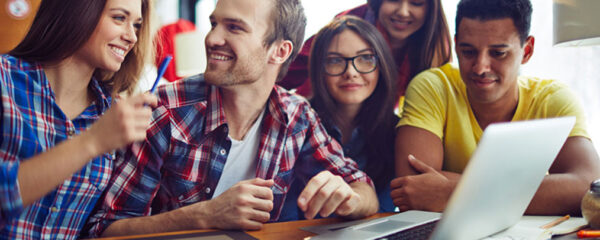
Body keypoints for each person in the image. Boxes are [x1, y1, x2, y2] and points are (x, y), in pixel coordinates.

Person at [84, 0, 379, 237]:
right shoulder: (165, 110)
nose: (212, 38)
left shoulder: (296, 116)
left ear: (280, 51)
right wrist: (205, 215)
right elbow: (103, 229)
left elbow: (364, 190)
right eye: (214, 23)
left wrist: (350, 198)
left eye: (234, 27)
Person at [391, 0, 600, 215]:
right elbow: (413, 188)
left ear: (526, 51)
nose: (481, 67)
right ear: (456, 46)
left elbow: (588, 187)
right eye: (468, 52)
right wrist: (538, 193)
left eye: (498, 53)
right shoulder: (432, 87)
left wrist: (453, 193)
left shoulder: (553, 99)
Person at [0, 0, 157, 239]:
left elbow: (98, 228)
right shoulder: (4, 81)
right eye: (119, 18)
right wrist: (91, 142)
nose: (132, 37)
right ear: (77, 11)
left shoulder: (114, 115)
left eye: (136, 25)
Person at [280, 16, 398, 220]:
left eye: (365, 58)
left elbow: (384, 214)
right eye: (335, 61)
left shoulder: (396, 133)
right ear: (319, 69)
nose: (351, 72)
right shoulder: (296, 122)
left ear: (382, 65)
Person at [279, 0, 451, 106]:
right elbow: (287, 71)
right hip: (319, 114)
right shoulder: (349, 25)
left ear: (430, 8)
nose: (403, 12)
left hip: (373, 131)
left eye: (416, 2)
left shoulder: (435, 48)